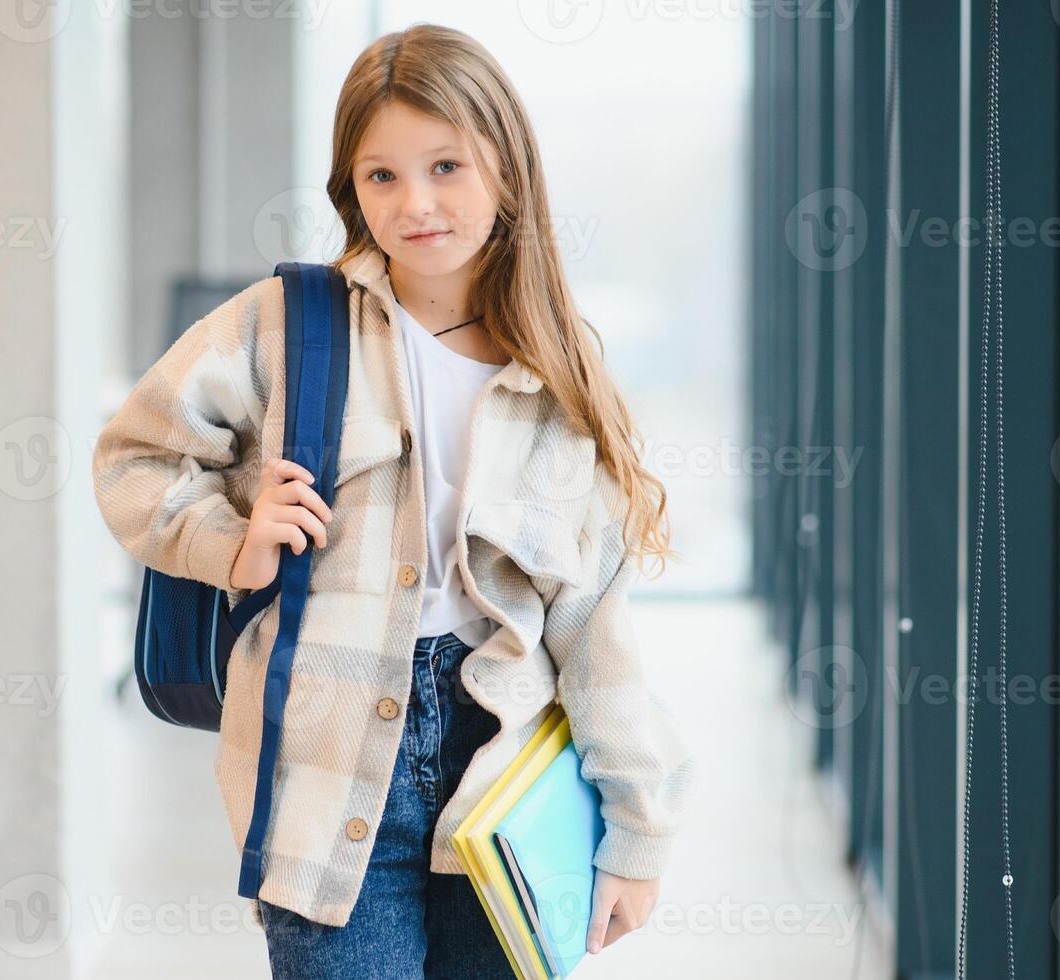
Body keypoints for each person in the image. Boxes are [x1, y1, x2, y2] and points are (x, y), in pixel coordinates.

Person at [92, 22, 696, 979]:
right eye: (381, 177)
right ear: (350, 190)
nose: (415, 203)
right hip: (320, 769)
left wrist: (636, 834)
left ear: (506, 167)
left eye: (446, 165)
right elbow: (133, 458)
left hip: (501, 774)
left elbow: (593, 624)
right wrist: (231, 542)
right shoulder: (287, 325)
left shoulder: (560, 361)